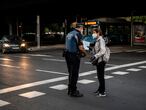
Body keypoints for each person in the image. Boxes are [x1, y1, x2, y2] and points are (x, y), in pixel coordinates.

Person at [64, 22, 86, 97]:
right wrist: (84, 52)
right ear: (79, 27)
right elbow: (80, 47)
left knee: (71, 73)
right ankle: (73, 91)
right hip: (74, 56)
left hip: (67, 54)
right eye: (82, 28)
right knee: (75, 74)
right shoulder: (78, 34)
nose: (82, 29)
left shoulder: (69, 33)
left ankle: (69, 90)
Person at [90, 28, 107, 97]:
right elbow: (97, 50)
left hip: (101, 60)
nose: (93, 34)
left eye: (94, 32)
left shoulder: (101, 40)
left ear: (98, 33)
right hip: (98, 60)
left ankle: (102, 92)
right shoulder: (97, 40)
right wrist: (91, 50)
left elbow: (103, 51)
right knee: (99, 76)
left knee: (101, 76)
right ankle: (100, 89)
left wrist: (95, 56)